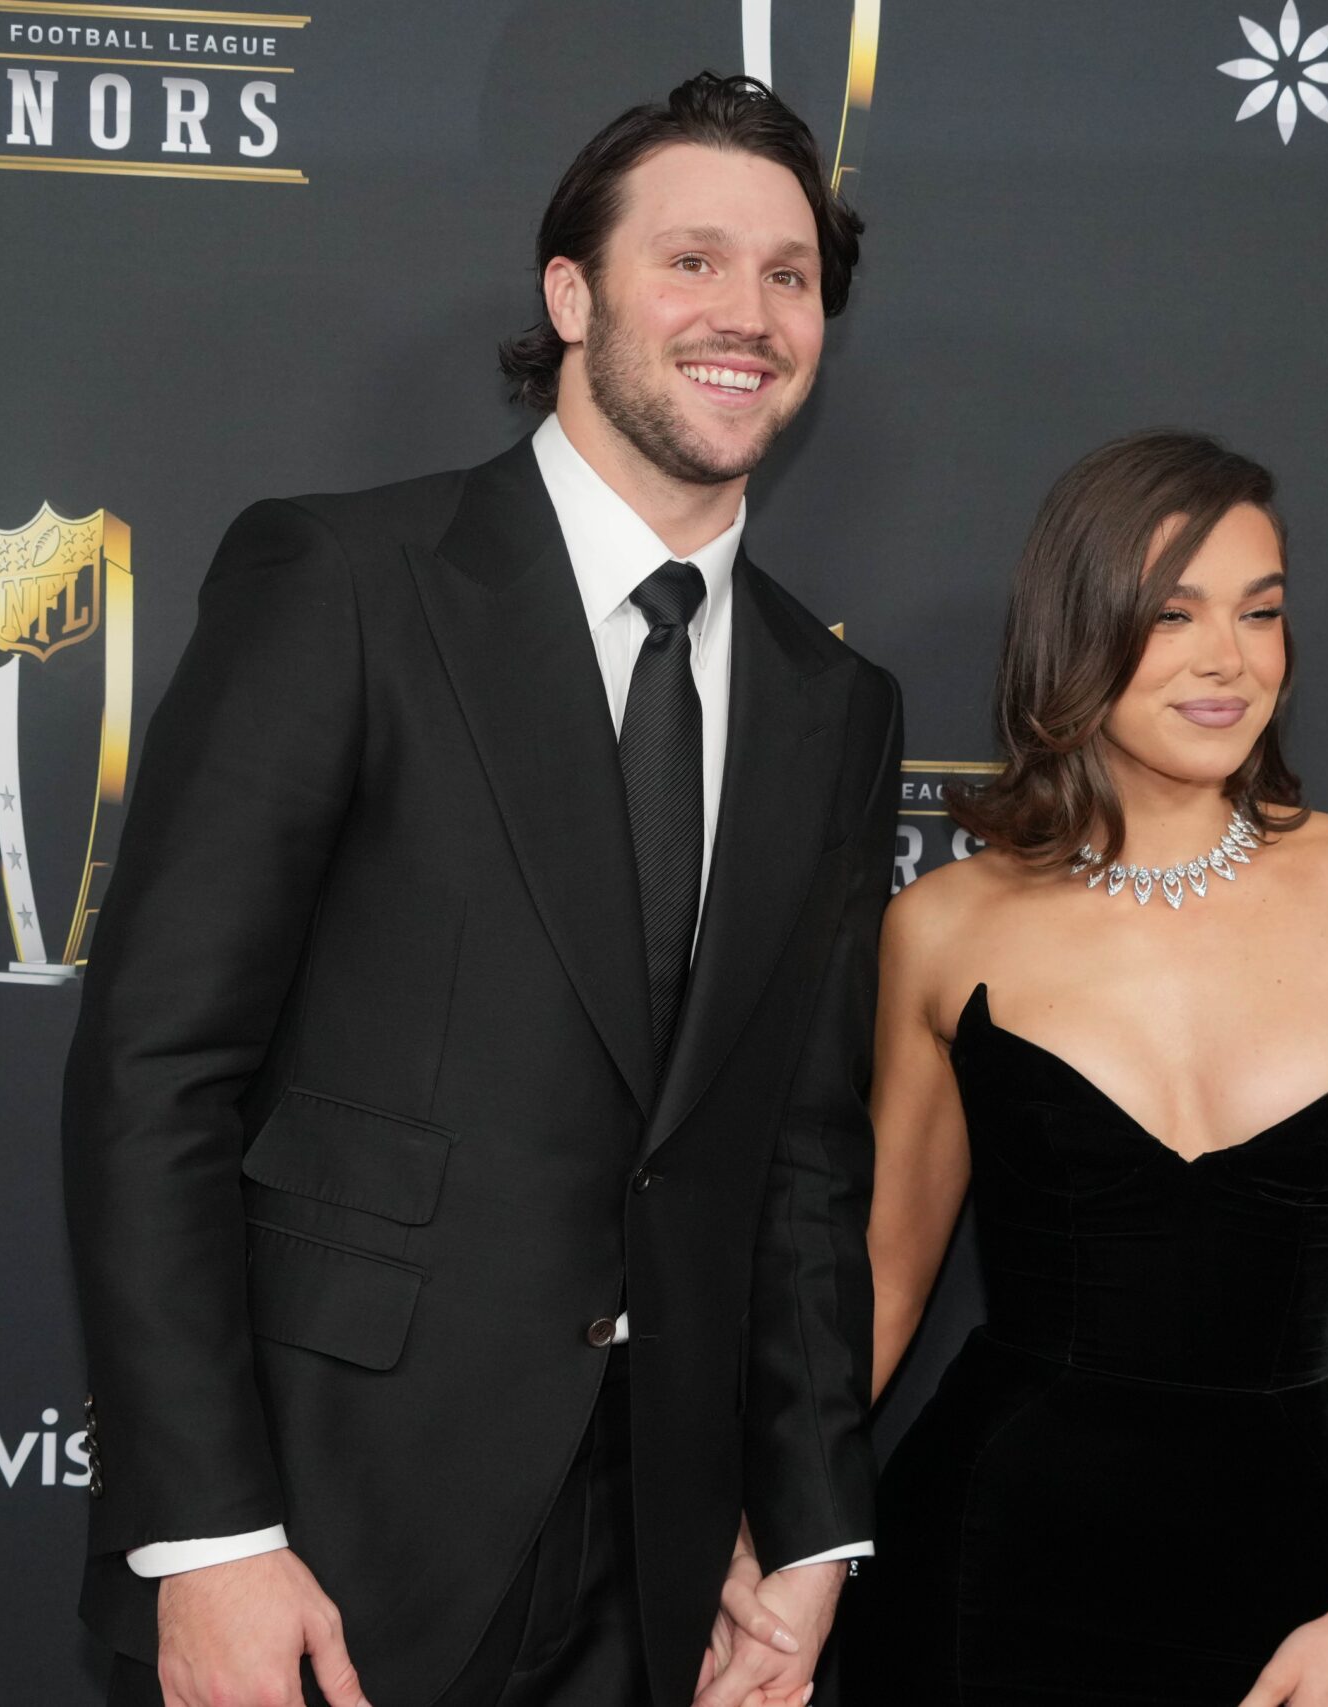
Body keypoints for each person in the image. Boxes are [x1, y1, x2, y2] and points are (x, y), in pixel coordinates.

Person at [61, 73, 899, 1707]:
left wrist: (808, 1527)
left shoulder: (830, 701)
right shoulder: (347, 586)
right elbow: (157, 1073)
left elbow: (801, 1157)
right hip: (329, 1541)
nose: (748, 313)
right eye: (694, 261)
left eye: (790, 275)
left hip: (659, 1573)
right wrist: (208, 1538)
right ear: (571, 294)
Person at [842, 431, 1328, 1705]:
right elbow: (882, 1282)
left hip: (1284, 1571)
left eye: (1260, 612)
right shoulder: (948, 925)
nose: (1228, 660)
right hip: (985, 1563)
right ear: (1078, 634)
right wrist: (763, 1537)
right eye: (1172, 615)